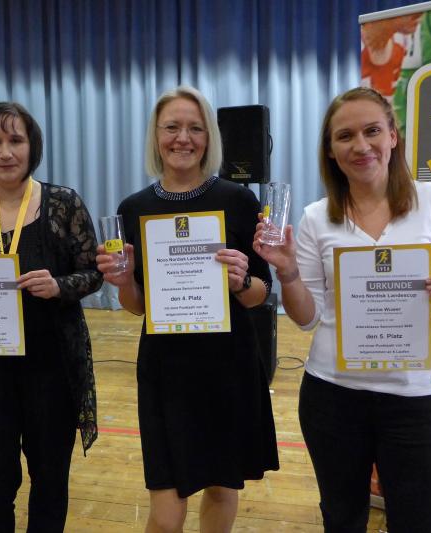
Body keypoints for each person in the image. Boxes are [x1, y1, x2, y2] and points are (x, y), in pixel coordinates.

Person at [254, 87, 431, 531]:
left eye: (372, 131)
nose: (361, 145)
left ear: (393, 136)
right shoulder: (317, 217)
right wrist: (288, 273)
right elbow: (307, 318)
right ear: (330, 151)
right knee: (342, 521)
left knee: (421, 524)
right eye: (345, 136)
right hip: (333, 398)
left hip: (417, 398)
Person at [96, 86, 279, 533]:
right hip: (166, 369)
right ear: (156, 136)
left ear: (209, 136)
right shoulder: (133, 209)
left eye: (195, 128)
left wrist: (241, 282)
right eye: (172, 127)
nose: (183, 138)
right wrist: (124, 283)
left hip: (228, 363)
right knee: (166, 512)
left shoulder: (239, 201)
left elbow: (261, 293)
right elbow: (138, 306)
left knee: (221, 488)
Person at [0, 102, 102, 532]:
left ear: (32, 146)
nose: (5, 152)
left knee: (49, 481)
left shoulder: (63, 203)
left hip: (50, 366)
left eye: (15, 140)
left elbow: (93, 272)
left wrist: (58, 285)